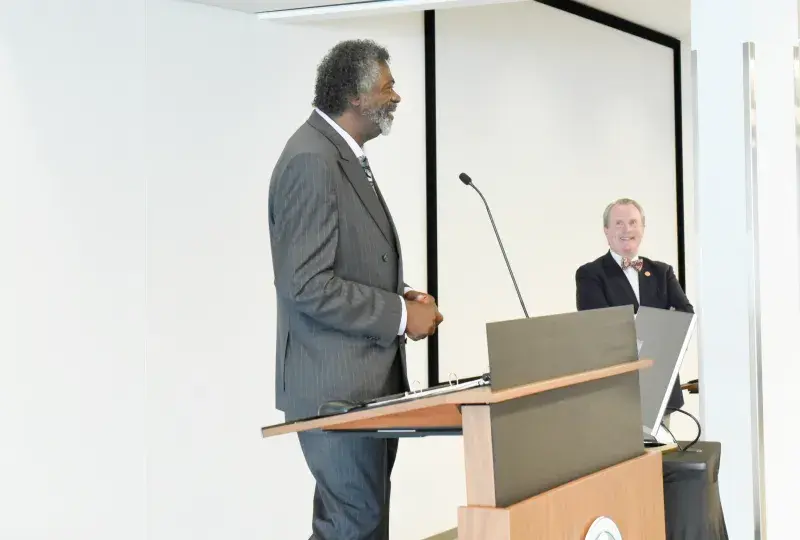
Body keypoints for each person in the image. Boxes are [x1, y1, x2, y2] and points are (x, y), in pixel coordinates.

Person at [268, 39, 443, 540]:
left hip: (362, 390)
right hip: (335, 391)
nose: (397, 98)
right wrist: (398, 316)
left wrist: (402, 295)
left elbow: (345, 263)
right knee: (353, 526)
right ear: (356, 97)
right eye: (388, 87)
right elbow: (306, 284)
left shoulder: (338, 155)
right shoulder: (311, 160)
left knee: (358, 525)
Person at [575, 198, 693, 419]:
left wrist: (641, 322)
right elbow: (598, 325)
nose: (626, 229)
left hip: (660, 382)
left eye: (633, 222)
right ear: (606, 231)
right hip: (617, 386)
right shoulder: (590, 274)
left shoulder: (662, 271)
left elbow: (685, 314)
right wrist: (659, 323)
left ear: (642, 229)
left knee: (663, 453)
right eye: (619, 223)